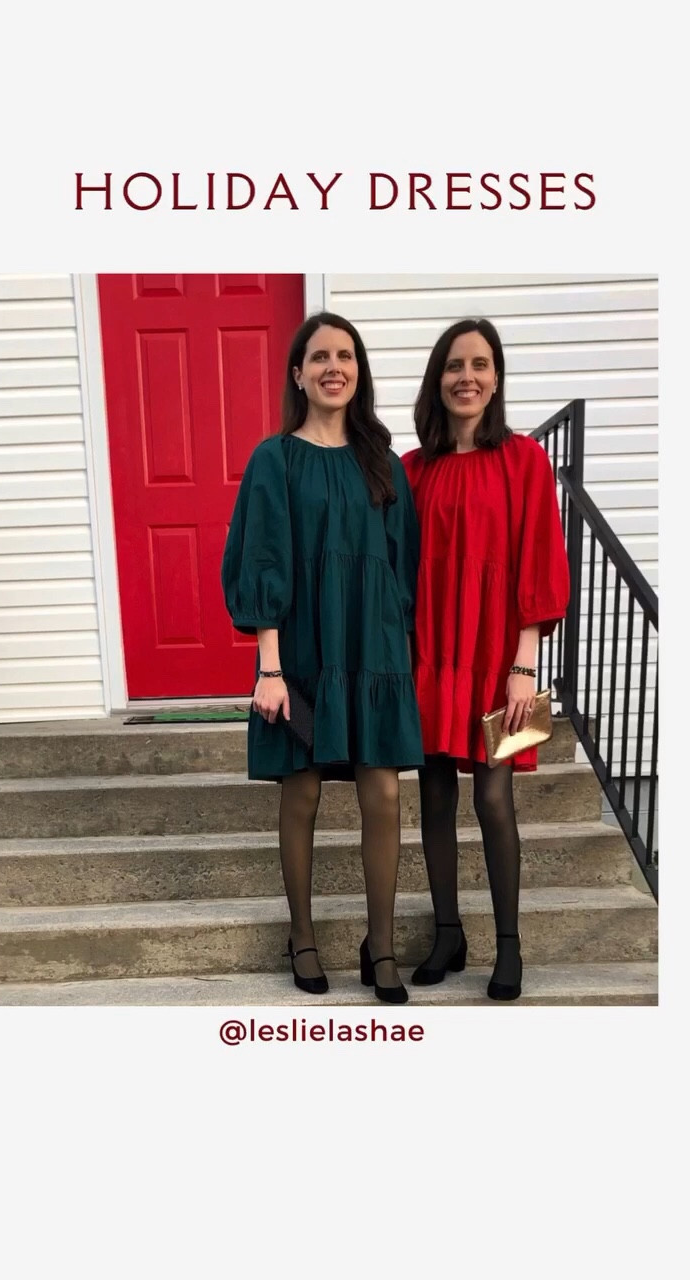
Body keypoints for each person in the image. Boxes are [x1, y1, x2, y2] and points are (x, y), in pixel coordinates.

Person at [221, 312, 424, 1004]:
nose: (334, 367)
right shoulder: (274, 458)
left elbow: (403, 571)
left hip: (373, 658)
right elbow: (263, 558)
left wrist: (402, 657)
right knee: (302, 788)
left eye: (346, 356)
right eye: (320, 357)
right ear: (298, 374)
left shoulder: (385, 464)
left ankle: (383, 945)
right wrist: (269, 668)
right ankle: (302, 935)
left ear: (358, 372)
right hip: (300, 656)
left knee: (384, 789)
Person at [402, 318, 570, 1001]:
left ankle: (508, 944)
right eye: (453, 365)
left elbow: (542, 560)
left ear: (496, 378)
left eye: (479, 364)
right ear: (437, 380)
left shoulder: (526, 459)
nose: (466, 376)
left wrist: (526, 659)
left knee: (495, 796)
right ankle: (448, 932)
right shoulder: (413, 470)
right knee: (435, 792)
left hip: (506, 660)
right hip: (433, 653)